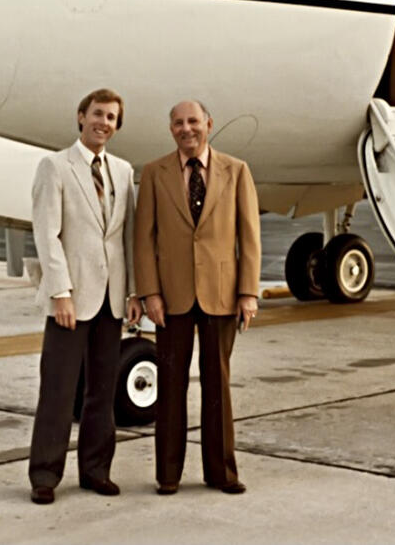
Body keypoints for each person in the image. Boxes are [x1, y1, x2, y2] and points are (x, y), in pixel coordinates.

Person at [134, 100, 261, 495]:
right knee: (170, 386)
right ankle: (167, 474)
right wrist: (149, 292)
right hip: (170, 298)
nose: (186, 129)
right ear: (170, 129)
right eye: (178, 123)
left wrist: (248, 293)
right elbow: (143, 239)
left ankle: (222, 473)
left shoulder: (236, 171)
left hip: (222, 296)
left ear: (209, 123)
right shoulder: (155, 173)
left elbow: (250, 237)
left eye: (193, 121)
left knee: (217, 384)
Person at [28, 88, 141, 505]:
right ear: (81, 117)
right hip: (70, 301)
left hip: (111, 300)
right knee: (58, 390)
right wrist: (61, 293)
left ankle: (96, 471)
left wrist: (131, 292)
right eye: (97, 114)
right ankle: (44, 475)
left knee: (102, 391)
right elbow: (47, 234)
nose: (104, 122)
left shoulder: (124, 171)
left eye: (112, 117)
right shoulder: (55, 166)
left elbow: (126, 236)